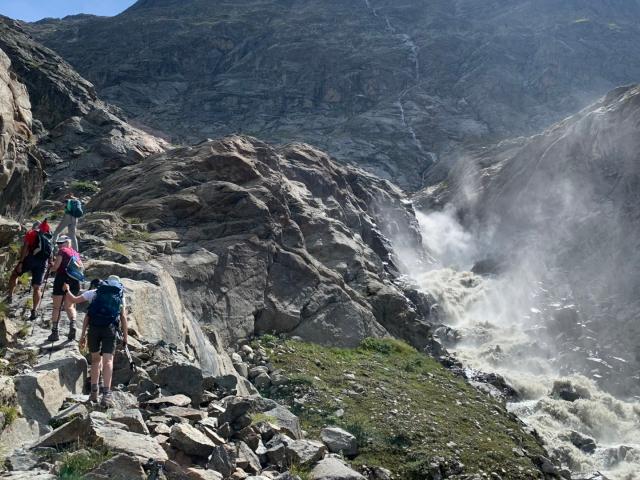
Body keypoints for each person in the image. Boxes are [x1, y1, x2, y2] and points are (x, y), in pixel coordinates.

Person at [77, 275, 128, 407]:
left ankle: (94, 393)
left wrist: (82, 335)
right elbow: (123, 317)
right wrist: (126, 337)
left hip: (94, 328)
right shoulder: (119, 294)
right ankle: (106, 395)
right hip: (109, 329)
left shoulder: (97, 292)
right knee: (108, 361)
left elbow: (87, 316)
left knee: (95, 360)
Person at [5, 220, 52, 320]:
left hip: (31, 259)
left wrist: (21, 262)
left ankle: (10, 297)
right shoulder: (48, 238)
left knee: (15, 274)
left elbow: (25, 247)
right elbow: (50, 255)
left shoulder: (31, 233)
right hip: (43, 263)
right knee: (37, 287)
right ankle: (34, 311)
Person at [47, 236, 82, 342]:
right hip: (75, 281)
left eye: (61, 243)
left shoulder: (62, 251)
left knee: (57, 307)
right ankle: (73, 324)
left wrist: (50, 269)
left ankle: (54, 332)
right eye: (58, 243)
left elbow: (56, 267)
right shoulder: (76, 253)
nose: (59, 245)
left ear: (67, 243)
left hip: (61, 279)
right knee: (69, 306)